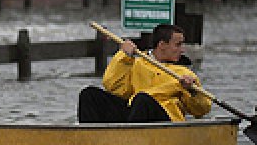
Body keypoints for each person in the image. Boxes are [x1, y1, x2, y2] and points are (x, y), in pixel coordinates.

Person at [78, 23, 211, 123]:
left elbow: (201, 110)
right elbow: (112, 86)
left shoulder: (184, 73)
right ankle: (89, 139)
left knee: (143, 99)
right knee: (89, 94)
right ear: (162, 45)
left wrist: (192, 91)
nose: (182, 50)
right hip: (134, 112)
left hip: (164, 120)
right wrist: (123, 56)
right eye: (178, 45)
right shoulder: (136, 63)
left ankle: (132, 143)